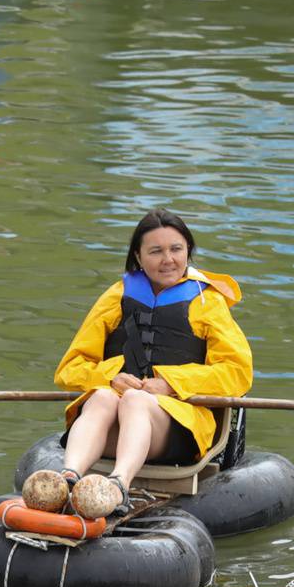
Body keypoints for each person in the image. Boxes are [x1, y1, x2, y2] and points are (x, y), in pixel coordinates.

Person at [46, 208, 253, 516]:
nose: (167, 259)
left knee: (135, 401)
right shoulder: (116, 297)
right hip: (113, 426)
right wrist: (110, 377)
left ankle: (118, 485)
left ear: (188, 253)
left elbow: (237, 373)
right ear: (138, 256)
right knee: (103, 396)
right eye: (155, 251)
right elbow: (71, 367)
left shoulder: (208, 302)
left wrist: (171, 384)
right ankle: (69, 477)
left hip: (177, 428)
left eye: (176, 249)